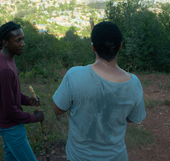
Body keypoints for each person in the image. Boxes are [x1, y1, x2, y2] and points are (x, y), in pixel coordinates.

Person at [53, 21, 146, 161]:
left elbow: (57, 109)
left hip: (79, 157)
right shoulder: (133, 84)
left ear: (93, 47)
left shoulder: (74, 76)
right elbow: (133, 117)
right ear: (120, 46)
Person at [0, 21, 45, 161]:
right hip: (11, 128)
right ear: (6, 42)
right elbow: (10, 111)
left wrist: (28, 101)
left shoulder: (5, 58)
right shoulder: (5, 69)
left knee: (12, 157)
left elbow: (11, 93)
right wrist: (35, 117)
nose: (23, 43)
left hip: (3, 123)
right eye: (18, 40)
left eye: (23, 39)